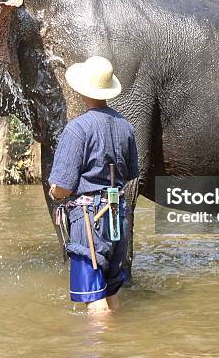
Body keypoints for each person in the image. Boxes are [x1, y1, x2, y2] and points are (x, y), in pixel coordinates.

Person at [48, 56, 139, 315]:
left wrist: (54, 192)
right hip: (117, 215)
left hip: (90, 220)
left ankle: (101, 349)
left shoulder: (77, 129)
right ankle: (117, 343)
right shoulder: (126, 127)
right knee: (111, 293)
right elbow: (132, 173)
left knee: (94, 299)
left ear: (81, 90)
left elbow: (63, 187)